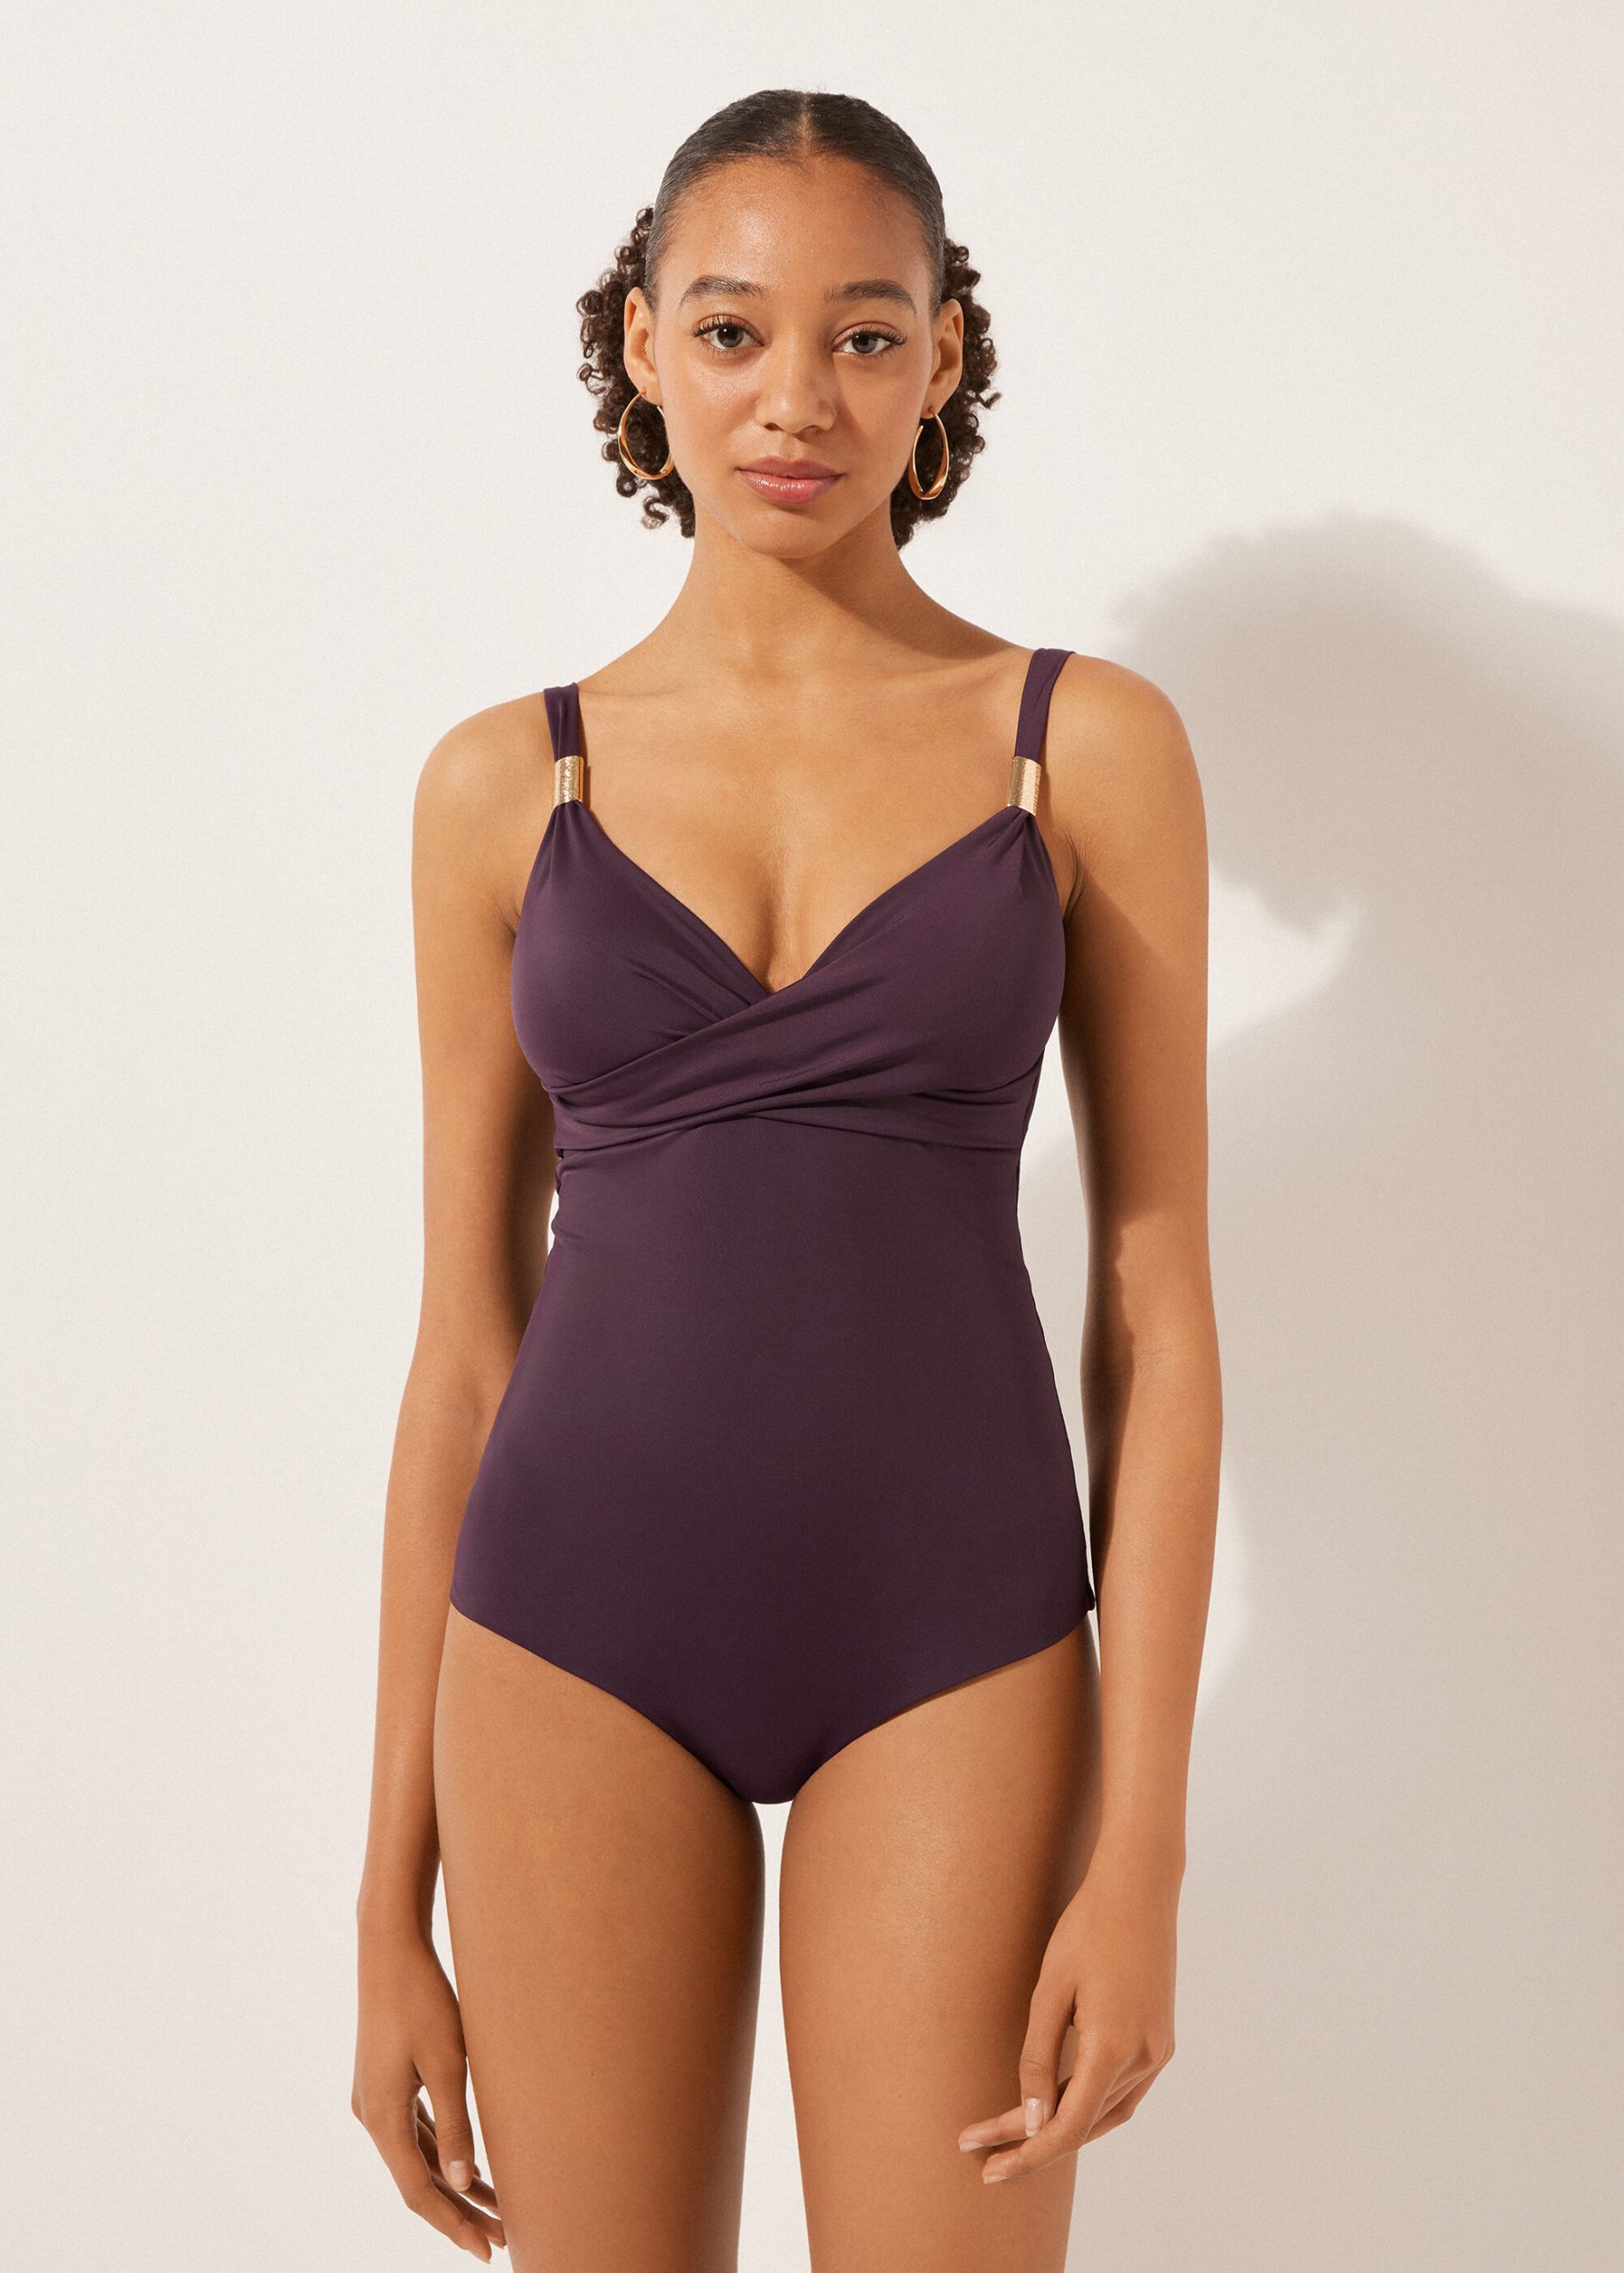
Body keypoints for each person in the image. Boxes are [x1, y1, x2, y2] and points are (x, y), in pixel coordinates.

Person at [352, 86, 1221, 2273]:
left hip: (961, 1636)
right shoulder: (501, 786)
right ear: (641, 342)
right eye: (734, 330)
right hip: (564, 1633)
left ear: (945, 357)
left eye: (865, 333)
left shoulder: (1079, 746)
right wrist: (382, 1907)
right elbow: (463, 1346)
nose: (797, 400)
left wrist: (1143, 1850)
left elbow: (1157, 1310)